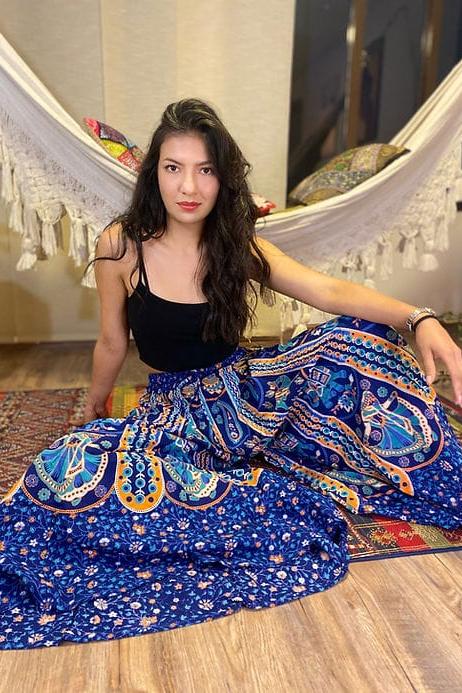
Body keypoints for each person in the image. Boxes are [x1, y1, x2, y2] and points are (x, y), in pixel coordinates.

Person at [1, 99, 461, 651]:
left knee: (354, 341)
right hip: (174, 414)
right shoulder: (120, 244)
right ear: (153, 174)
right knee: (63, 472)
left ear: (222, 179)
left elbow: (327, 290)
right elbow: (111, 340)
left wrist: (419, 317)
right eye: (173, 168)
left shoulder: (235, 243)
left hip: (247, 395)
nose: (188, 186)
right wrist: (96, 405)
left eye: (205, 170)